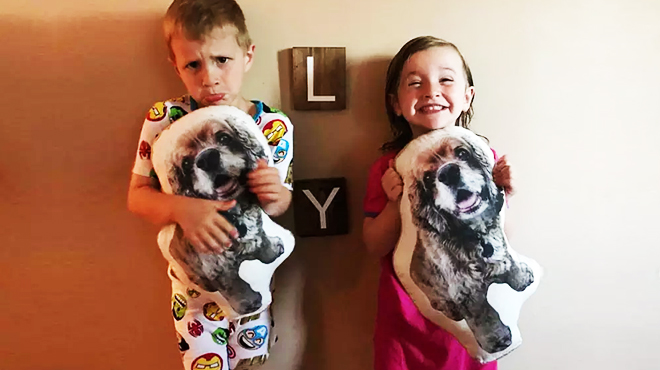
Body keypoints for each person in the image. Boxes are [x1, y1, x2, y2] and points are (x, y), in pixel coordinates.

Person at [127, 1, 293, 368]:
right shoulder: (163, 120)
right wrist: (182, 209)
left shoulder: (272, 126)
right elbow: (137, 197)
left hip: (253, 275)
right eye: (193, 64)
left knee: (255, 363)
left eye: (222, 60)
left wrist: (276, 193)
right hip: (192, 291)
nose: (209, 77)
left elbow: (279, 207)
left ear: (247, 55)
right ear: (176, 65)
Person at [362, 36, 513, 370]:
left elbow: (505, 239)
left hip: (471, 323)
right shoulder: (388, 168)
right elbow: (374, 245)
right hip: (403, 326)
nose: (431, 91)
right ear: (396, 104)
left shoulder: (487, 160)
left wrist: (504, 195)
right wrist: (393, 203)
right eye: (415, 83)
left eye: (445, 79)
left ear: (466, 96)